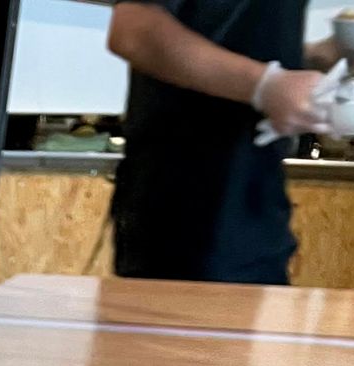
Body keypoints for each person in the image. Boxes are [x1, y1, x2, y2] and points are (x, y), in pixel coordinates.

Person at [109, 3, 339, 285]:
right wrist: (264, 85)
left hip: (257, 210)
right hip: (186, 215)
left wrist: (324, 56)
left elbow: (236, 41)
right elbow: (133, 30)